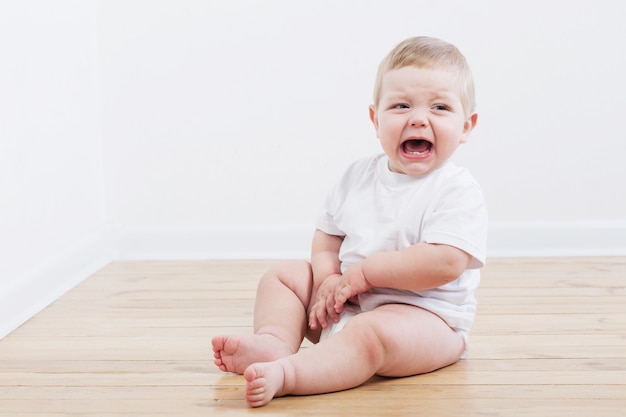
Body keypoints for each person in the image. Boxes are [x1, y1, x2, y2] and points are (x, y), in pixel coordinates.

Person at [211, 35, 488, 408]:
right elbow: (327, 237)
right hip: (345, 302)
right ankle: (275, 341)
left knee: (370, 334)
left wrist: (366, 274)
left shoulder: (456, 190)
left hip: (424, 320)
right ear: (376, 119)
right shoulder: (357, 177)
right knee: (284, 276)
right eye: (401, 105)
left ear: (466, 126)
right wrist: (327, 279)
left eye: (439, 107)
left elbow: (445, 261)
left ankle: (291, 373)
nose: (418, 118)